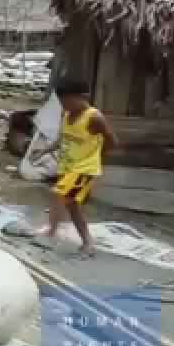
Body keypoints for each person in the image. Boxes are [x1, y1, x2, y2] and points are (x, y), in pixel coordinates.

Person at [42, 79, 118, 256]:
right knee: (72, 205)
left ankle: (51, 232)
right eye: (61, 102)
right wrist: (46, 150)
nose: (64, 105)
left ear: (82, 97)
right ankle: (88, 243)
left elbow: (113, 141)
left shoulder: (94, 117)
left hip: (84, 169)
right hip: (68, 167)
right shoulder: (67, 115)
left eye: (66, 101)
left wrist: (97, 157)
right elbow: (63, 139)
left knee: (58, 194)